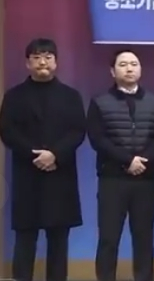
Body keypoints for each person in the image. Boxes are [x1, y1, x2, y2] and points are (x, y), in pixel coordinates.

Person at [0, 38, 86, 281]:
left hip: (60, 174)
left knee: (58, 239)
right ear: (28, 63)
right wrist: (34, 154)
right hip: (27, 173)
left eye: (48, 57)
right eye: (36, 57)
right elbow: (7, 131)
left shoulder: (71, 96)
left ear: (56, 62)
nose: (42, 62)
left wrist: (54, 154)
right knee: (25, 237)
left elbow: (78, 131)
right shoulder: (14, 96)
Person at [87, 49, 154, 281]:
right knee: (109, 238)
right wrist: (128, 160)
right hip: (112, 179)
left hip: (145, 180)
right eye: (123, 64)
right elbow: (98, 139)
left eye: (134, 64)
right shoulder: (99, 102)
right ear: (113, 72)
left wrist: (143, 161)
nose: (129, 68)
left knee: (144, 238)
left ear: (140, 69)